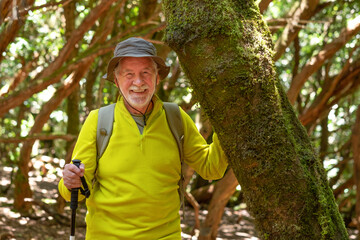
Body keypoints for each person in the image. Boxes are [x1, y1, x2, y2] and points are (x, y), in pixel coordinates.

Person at [58, 37, 228, 239]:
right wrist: (69, 181)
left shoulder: (175, 118)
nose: (138, 82)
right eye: (129, 74)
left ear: (157, 78)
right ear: (116, 79)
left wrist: (229, 122)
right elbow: (72, 192)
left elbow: (212, 168)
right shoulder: (98, 121)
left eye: (145, 73)